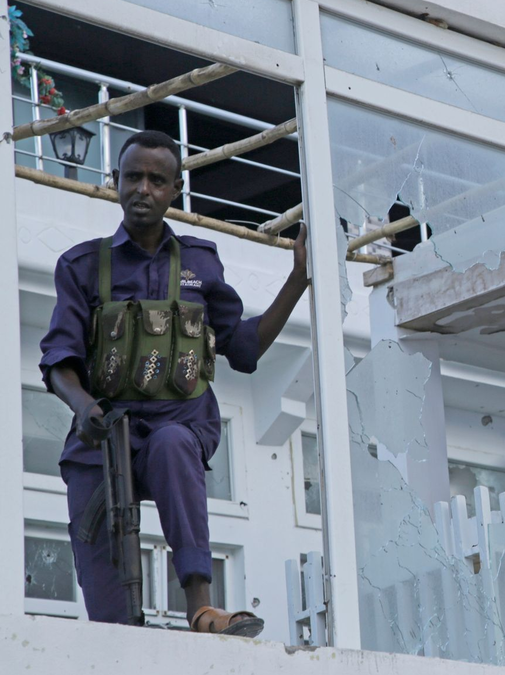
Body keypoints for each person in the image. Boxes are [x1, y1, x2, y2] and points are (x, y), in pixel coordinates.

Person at [39, 130, 309, 636]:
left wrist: (298, 280)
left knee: (171, 444)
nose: (144, 189)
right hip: (103, 432)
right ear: (114, 181)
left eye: (157, 180)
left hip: (178, 424)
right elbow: (59, 358)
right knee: (109, 618)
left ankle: (201, 608)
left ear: (174, 192)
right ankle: (118, 638)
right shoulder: (82, 265)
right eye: (134, 177)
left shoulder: (200, 262)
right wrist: (82, 406)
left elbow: (243, 348)